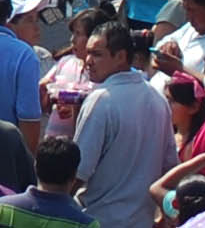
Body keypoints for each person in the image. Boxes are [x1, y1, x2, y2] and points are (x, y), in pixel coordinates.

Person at [67, 20, 174, 228]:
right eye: (88, 53)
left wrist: (50, 207)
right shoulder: (157, 99)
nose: (88, 61)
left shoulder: (101, 100)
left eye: (97, 54)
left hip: (101, 220)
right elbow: (169, 167)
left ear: (121, 57)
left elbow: (77, 171)